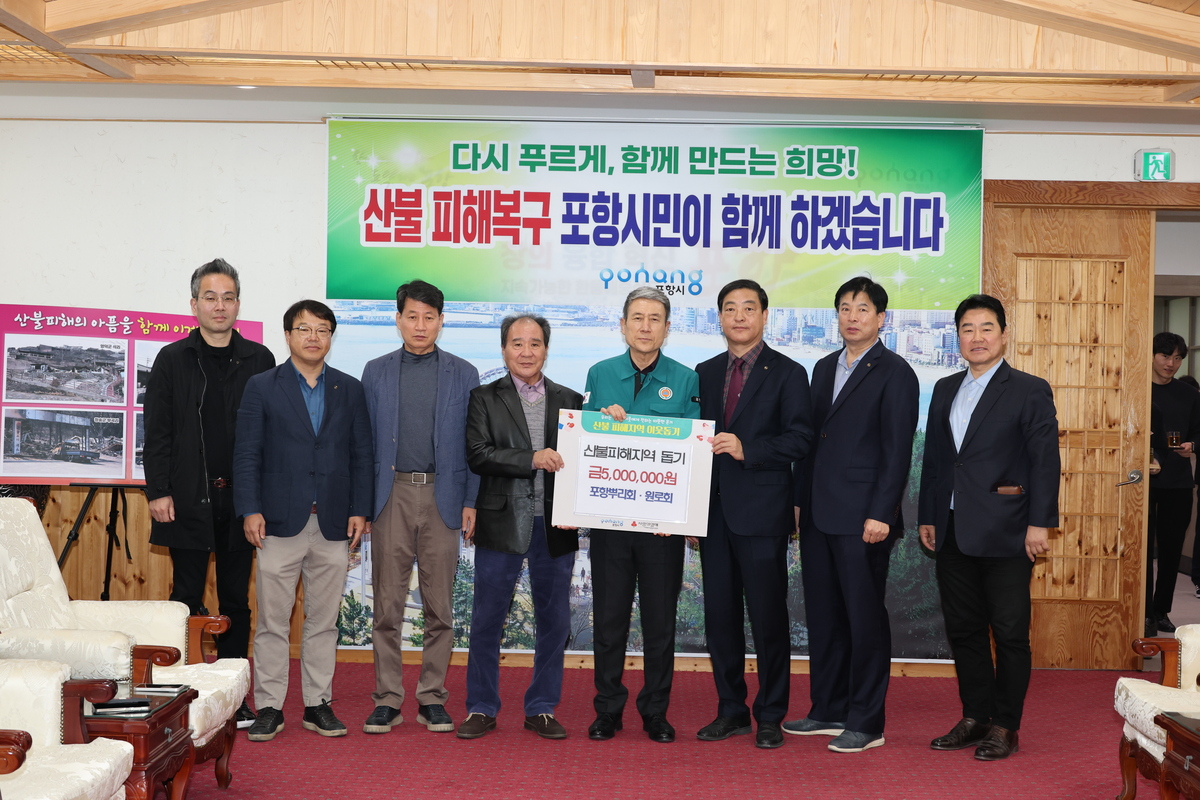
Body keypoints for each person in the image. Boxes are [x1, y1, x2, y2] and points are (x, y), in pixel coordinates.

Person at [918, 293, 1060, 761]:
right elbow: (936, 460)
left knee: (1010, 633)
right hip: (951, 527)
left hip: (1008, 529)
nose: (976, 338)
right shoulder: (944, 388)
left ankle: (1005, 725)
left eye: (986, 328)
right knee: (964, 629)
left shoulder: (1029, 389)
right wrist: (928, 515)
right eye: (967, 329)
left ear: (1003, 334)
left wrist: (1040, 524)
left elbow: (1044, 461)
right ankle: (976, 716)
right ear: (957, 336)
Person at [785, 277, 918, 753]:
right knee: (824, 616)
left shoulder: (896, 372)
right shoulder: (823, 367)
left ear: (881, 318)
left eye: (862, 309)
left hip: (865, 519)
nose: (852, 316)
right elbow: (810, 444)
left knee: (864, 621)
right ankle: (828, 708)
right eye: (844, 307)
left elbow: (897, 450)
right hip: (818, 514)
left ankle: (866, 721)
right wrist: (798, 503)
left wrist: (882, 513)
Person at [142, 257, 274, 728]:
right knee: (185, 597)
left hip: (241, 501)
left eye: (228, 297)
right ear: (194, 303)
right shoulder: (172, 358)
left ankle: (235, 695)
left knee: (236, 600)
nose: (220, 306)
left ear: (238, 304)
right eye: (210, 297)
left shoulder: (259, 359)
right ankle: (181, 692)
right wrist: (158, 490)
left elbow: (270, 433)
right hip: (186, 497)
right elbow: (157, 431)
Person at [233, 300, 373, 741]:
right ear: (288, 335)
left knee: (323, 621)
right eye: (304, 329)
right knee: (272, 622)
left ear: (331, 337)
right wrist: (250, 509)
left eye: (322, 329)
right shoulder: (262, 385)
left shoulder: (350, 388)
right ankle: (270, 707)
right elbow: (247, 452)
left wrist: (360, 509)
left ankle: (317, 704)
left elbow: (362, 454)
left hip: (333, 522)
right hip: (277, 522)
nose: (314, 337)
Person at [694, 279, 814, 750]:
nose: (739, 316)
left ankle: (770, 713)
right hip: (711, 515)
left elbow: (801, 438)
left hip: (763, 513)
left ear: (765, 316)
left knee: (767, 619)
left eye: (748, 308)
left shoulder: (789, 372)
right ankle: (731, 711)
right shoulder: (703, 372)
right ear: (719, 318)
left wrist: (750, 449)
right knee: (720, 618)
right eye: (730, 308)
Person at [360, 280, 480, 735]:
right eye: (412, 316)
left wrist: (470, 500)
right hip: (390, 495)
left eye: (429, 317)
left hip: (442, 496)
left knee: (440, 608)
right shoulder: (375, 371)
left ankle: (432, 697)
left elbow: (475, 444)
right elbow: (363, 444)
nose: (420, 325)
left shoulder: (463, 373)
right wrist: (362, 505)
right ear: (398, 320)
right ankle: (387, 699)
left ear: (441, 321)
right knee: (387, 606)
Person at [583, 286, 701, 744]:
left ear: (667, 328)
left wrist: (684, 518)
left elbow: (693, 455)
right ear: (623, 325)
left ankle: (656, 711)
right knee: (609, 621)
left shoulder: (686, 380)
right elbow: (584, 443)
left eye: (655, 319)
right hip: (609, 525)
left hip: (662, 530)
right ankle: (607, 710)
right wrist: (598, 420)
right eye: (637, 318)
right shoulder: (600, 373)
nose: (645, 326)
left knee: (659, 622)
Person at [457, 315, 583, 741]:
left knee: (555, 623)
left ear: (546, 349)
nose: (526, 352)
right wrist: (531, 458)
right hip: (501, 522)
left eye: (535, 343)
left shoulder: (571, 400)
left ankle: (541, 708)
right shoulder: (483, 397)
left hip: (556, 526)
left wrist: (611, 421)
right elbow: (478, 454)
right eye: (517, 343)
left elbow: (587, 456)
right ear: (504, 348)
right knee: (486, 620)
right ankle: (481, 707)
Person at [1146, 332, 1200, 633]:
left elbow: (1199, 431)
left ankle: (1161, 610)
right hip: (1142, 481)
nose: (1171, 363)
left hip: (1178, 481)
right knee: (1141, 550)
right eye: (1165, 356)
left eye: (1177, 358)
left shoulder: (1189, 394)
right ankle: (1143, 611)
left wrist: (1193, 445)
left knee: (1170, 550)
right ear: (1152, 355)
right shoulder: (1138, 388)